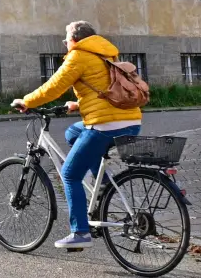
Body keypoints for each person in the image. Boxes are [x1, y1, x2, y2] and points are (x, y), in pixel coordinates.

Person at [11, 20, 142, 251]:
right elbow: (107, 91)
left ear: (74, 39)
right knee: (73, 132)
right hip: (131, 122)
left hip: (105, 126)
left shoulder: (79, 56)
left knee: (70, 174)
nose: (65, 44)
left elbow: (54, 86)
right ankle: (102, 183)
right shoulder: (105, 54)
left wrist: (27, 101)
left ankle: (80, 232)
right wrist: (79, 104)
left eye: (66, 40)